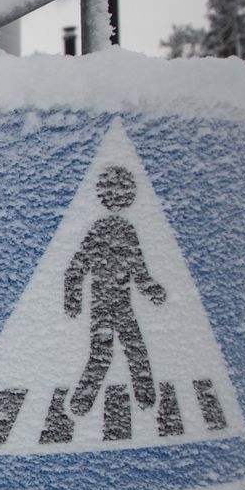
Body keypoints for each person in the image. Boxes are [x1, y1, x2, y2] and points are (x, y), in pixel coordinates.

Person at [63, 165, 166, 416]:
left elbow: (138, 270)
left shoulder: (128, 231)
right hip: (104, 303)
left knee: (133, 349)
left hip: (120, 302)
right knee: (105, 354)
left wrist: (152, 290)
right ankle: (80, 404)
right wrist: (72, 298)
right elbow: (77, 266)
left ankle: (145, 401)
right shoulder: (98, 230)